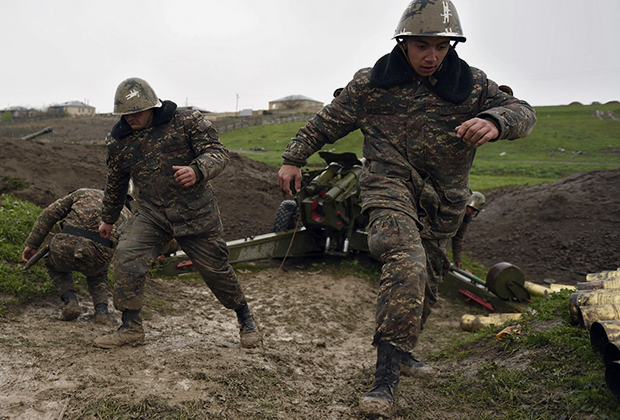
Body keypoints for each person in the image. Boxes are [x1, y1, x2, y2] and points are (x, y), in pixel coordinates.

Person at [277, 0, 537, 416]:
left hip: (444, 200)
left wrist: (495, 120)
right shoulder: (370, 84)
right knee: (406, 262)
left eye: (441, 46)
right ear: (403, 43)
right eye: (421, 45)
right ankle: (384, 380)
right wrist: (293, 157)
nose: (431, 55)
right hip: (388, 186)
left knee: (429, 281)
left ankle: (404, 352)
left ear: (452, 46)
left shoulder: (471, 85)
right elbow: (325, 122)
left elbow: (523, 111)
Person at [93, 77, 260, 350]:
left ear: (153, 106)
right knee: (127, 255)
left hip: (195, 212)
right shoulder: (118, 141)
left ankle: (245, 319)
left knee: (216, 270)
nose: (132, 118)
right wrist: (108, 219)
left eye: (138, 112)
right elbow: (116, 182)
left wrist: (197, 170)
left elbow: (218, 152)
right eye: (127, 113)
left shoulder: (186, 121)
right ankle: (130, 327)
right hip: (151, 214)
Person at [22, 188, 131, 323]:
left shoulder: (83, 193)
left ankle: (70, 301)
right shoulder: (128, 214)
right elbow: (130, 247)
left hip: (65, 245)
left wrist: (32, 244)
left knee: (53, 263)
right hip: (97, 254)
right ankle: (102, 312)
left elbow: (49, 214)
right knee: (99, 274)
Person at [451, 191, 485, 269]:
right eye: (472, 209)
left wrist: (457, 259)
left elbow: (458, 239)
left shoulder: (466, 219)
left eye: (476, 211)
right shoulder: (453, 212)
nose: (473, 212)